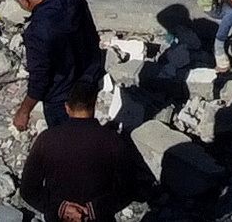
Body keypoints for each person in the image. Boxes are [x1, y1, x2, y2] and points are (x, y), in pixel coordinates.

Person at [18, 85, 157, 222]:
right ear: (94, 106)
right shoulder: (113, 140)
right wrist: (93, 209)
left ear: (67, 107)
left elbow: (27, 190)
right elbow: (128, 188)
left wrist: (62, 208)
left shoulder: (47, 139)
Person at [9, 0, 96, 133]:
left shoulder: (36, 33)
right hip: (88, 83)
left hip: (61, 97)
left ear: (26, 1)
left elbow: (40, 78)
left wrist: (24, 111)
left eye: (19, 3)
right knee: (86, 130)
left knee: (65, 141)